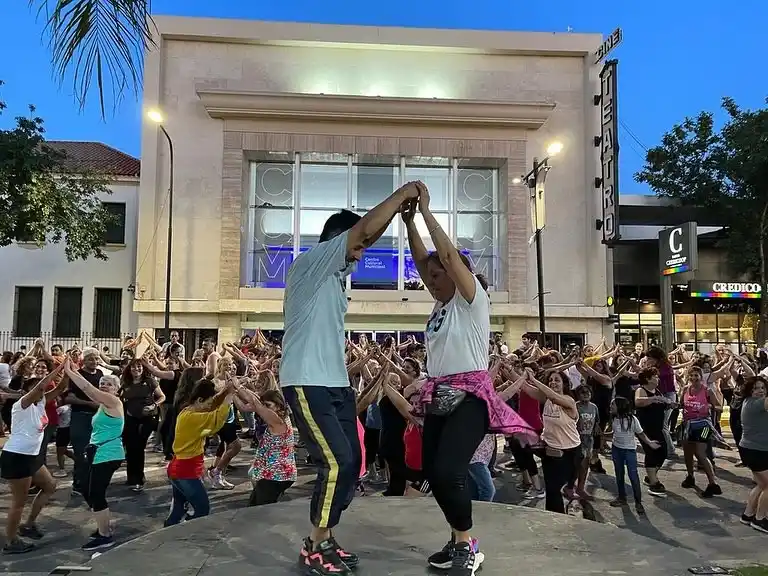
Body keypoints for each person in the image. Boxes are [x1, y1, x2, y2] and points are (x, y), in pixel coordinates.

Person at [280, 180, 423, 576]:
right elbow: (361, 232)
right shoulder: (311, 263)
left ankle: (325, 538)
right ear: (336, 241)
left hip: (335, 382)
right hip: (307, 379)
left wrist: (400, 217)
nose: (360, 257)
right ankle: (315, 544)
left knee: (354, 462)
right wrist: (401, 195)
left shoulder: (334, 277)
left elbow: (365, 235)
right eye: (356, 249)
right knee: (337, 461)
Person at [405, 185, 537, 576]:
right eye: (428, 277)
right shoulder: (441, 305)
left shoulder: (472, 299)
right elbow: (424, 259)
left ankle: (467, 544)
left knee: (450, 471)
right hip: (439, 394)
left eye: (437, 275)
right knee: (433, 473)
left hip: (471, 397)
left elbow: (445, 255)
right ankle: (456, 539)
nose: (430, 280)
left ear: (456, 273)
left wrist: (426, 212)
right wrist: (409, 224)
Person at [0, 362, 67, 554]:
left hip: (32, 456)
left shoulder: (41, 404)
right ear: (25, 392)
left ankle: (28, 524)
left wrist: (68, 370)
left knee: (50, 486)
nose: (41, 391)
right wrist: (58, 367)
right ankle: (11, 541)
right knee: (19, 502)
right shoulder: (21, 405)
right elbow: (40, 387)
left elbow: (60, 388)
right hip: (17, 456)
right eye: (35, 389)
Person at [64, 363, 124, 551]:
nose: (104, 386)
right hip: (98, 453)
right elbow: (89, 392)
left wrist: (70, 372)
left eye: (109, 384)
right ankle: (104, 524)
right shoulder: (103, 404)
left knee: (96, 493)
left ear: (116, 389)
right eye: (102, 383)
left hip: (108, 454)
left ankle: (105, 535)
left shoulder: (113, 402)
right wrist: (75, 371)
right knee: (86, 488)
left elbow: (87, 388)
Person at [165, 376, 237, 526]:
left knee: (179, 509)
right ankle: (189, 531)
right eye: (207, 403)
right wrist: (230, 396)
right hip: (185, 471)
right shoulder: (191, 418)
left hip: (181, 469)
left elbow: (213, 403)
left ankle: (171, 531)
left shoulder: (189, 411)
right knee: (202, 509)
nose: (209, 406)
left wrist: (225, 390)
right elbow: (216, 419)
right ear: (199, 400)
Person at [608, 396, 660, 515]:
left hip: (629, 451)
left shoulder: (632, 420)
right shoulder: (614, 418)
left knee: (633, 476)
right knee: (619, 474)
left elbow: (640, 433)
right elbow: (614, 432)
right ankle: (622, 498)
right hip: (616, 449)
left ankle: (638, 502)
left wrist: (650, 443)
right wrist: (603, 434)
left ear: (620, 406)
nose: (610, 407)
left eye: (613, 405)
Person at [247, 390, 297, 506]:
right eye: (264, 405)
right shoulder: (279, 418)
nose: (265, 409)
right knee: (255, 506)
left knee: (260, 510)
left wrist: (238, 386)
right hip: (272, 473)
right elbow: (246, 406)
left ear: (278, 406)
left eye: (268, 405)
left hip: (276, 475)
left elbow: (256, 402)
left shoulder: (278, 421)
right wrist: (232, 392)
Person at [634, 367, 673, 496]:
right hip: (646, 428)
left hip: (657, 427)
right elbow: (638, 402)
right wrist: (656, 398)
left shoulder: (657, 391)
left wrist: (669, 404)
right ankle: (654, 483)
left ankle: (651, 476)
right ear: (647, 379)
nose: (658, 378)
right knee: (651, 452)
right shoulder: (641, 390)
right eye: (655, 376)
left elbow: (660, 404)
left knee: (663, 452)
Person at [738, 375, 768, 532]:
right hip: (756, 451)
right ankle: (760, 519)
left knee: (762, 485)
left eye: (763, 388)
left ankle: (748, 514)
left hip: (753, 449)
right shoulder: (756, 404)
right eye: (756, 388)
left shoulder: (750, 402)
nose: (760, 391)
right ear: (750, 391)